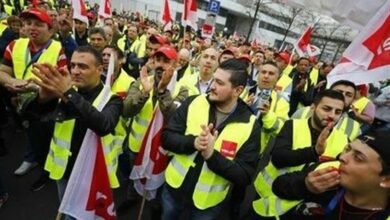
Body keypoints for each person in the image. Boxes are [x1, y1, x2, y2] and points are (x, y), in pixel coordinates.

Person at [23, 46, 122, 219]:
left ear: (100, 70)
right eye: (73, 65)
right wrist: (42, 99)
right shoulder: (66, 92)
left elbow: (104, 125)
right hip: (64, 171)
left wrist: (68, 93)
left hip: (92, 175)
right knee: (68, 212)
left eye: (83, 66)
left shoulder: (112, 99)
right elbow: (30, 119)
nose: (75, 71)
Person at [161, 59, 261, 220]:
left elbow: (245, 175)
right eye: (214, 79)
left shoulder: (250, 125)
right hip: (173, 191)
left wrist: (212, 156)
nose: (212, 86)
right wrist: (193, 143)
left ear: (237, 90)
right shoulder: (194, 102)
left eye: (220, 83)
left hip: (207, 206)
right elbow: (166, 138)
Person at [251, 90, 349, 219]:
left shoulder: (343, 140)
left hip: (302, 208)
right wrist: (314, 152)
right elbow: (278, 158)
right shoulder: (293, 125)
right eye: (326, 109)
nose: (332, 115)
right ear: (313, 107)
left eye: (338, 112)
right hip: (269, 197)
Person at [0, 8, 67, 191]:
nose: (32, 28)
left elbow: (66, 83)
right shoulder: (14, 45)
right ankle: (41, 166)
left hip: (50, 105)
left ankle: (51, 174)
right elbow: (3, 71)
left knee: (52, 143)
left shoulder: (58, 48)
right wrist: (12, 81)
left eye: (38, 24)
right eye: (28, 23)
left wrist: (36, 88)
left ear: (50, 29)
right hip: (24, 104)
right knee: (36, 143)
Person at [118, 45, 188, 214]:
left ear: (176, 65)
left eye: (166, 61)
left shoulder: (183, 90)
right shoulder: (141, 81)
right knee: (134, 177)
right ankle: (131, 198)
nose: (160, 65)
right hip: (136, 146)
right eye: (157, 60)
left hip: (160, 150)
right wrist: (144, 94)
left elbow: (173, 116)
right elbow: (126, 110)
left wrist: (162, 91)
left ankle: (155, 206)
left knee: (157, 183)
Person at [273, 130, 390, 219]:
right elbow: (278, 185)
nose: (342, 157)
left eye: (358, 158)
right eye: (348, 149)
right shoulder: (330, 168)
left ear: (387, 180)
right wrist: (304, 186)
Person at [292, 80, 361, 140]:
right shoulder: (302, 112)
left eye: (348, 95)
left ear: (353, 100)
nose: (342, 96)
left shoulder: (354, 127)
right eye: (338, 92)